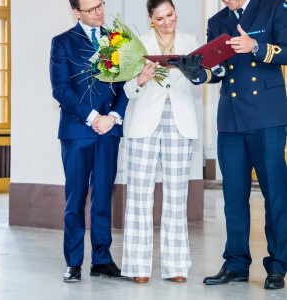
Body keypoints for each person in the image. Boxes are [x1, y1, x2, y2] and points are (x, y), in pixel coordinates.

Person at [170, 0, 287, 290]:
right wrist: (197, 72)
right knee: (234, 196)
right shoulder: (217, 21)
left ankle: (278, 265)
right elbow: (219, 70)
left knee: (275, 196)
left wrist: (256, 48)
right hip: (231, 120)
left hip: (267, 117)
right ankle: (235, 263)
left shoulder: (273, 8)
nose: (226, 1)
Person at [121, 0, 200, 284]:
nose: (168, 21)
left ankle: (176, 265)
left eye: (171, 14)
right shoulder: (137, 44)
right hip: (144, 123)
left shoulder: (191, 41)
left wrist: (196, 73)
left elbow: (200, 79)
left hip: (180, 121)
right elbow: (127, 90)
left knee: (177, 195)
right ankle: (138, 266)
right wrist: (140, 79)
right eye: (160, 17)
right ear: (150, 19)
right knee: (139, 195)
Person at [49, 0, 128, 282]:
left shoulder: (117, 40)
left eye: (101, 5)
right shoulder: (62, 43)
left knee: (104, 196)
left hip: (109, 130)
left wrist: (114, 116)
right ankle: (73, 262)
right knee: (75, 198)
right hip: (77, 131)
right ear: (76, 12)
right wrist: (93, 116)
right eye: (92, 8)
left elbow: (125, 86)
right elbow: (60, 88)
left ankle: (102, 259)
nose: (99, 12)